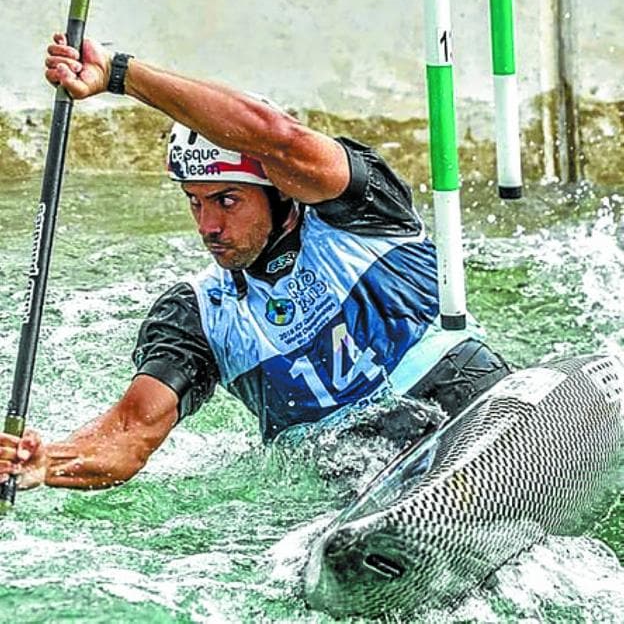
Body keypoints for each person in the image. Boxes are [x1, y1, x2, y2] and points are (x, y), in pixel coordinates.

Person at [0, 34, 510, 492]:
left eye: (227, 201)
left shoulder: (359, 211)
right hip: (358, 478)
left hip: (467, 402)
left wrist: (118, 72)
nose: (208, 226)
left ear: (282, 194)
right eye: (195, 202)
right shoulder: (198, 314)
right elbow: (132, 430)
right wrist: (50, 463)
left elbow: (275, 135)